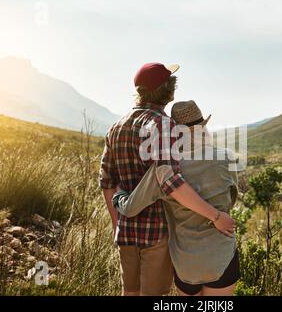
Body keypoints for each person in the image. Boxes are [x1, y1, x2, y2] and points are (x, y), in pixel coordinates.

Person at [99, 63, 235, 296]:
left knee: (130, 293)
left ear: (140, 91)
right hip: (157, 233)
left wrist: (117, 224)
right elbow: (169, 181)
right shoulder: (163, 125)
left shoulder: (116, 127)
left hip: (126, 231)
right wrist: (216, 216)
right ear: (169, 91)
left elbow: (107, 181)